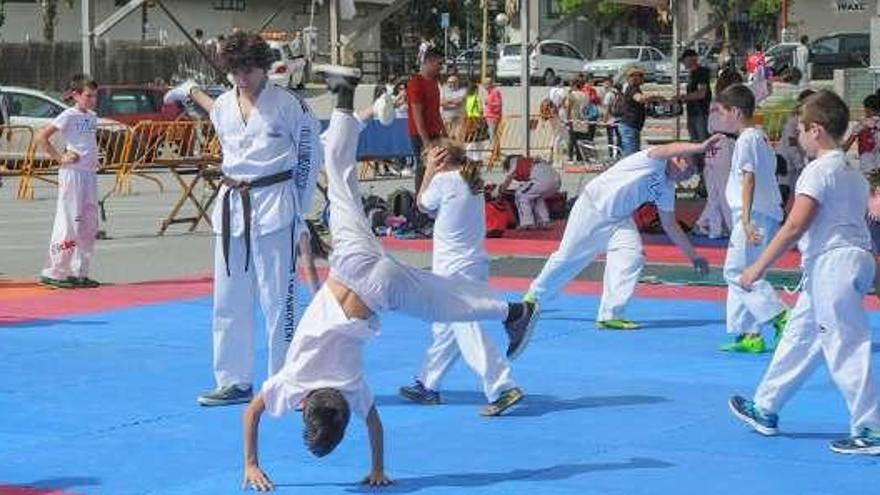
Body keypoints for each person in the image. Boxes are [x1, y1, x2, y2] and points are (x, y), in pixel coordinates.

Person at [240, 66, 539, 490]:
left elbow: (375, 427)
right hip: (350, 264)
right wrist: (250, 462)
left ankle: (512, 310)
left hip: (377, 290)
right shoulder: (294, 383)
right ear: (306, 405)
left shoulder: (353, 391)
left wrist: (378, 469)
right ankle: (343, 95)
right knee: (341, 180)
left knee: (442, 299)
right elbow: (251, 413)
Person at [729, 90, 880, 456]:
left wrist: (757, 267)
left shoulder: (818, 170)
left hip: (834, 264)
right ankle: (767, 407)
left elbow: (795, 226)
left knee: (845, 344)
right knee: (799, 337)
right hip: (842, 262)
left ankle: (871, 428)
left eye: (799, 129)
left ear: (816, 130)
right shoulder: (853, 173)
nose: (796, 136)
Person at [190, 31, 324, 407]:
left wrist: (300, 212)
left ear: (263, 66)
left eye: (248, 70)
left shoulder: (289, 105)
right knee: (228, 299)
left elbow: (309, 159)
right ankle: (233, 379)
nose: (242, 78)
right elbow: (212, 114)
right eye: (235, 71)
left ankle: (287, 380)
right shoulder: (223, 105)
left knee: (279, 300)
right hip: (233, 204)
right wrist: (188, 91)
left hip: (277, 204)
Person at [521, 139, 714, 330]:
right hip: (593, 207)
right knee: (568, 257)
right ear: (680, 159)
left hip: (620, 219)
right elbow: (668, 148)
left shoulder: (667, 189)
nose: (688, 178)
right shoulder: (653, 159)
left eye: (693, 175)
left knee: (632, 255)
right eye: (689, 171)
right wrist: (701, 147)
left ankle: (610, 315)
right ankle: (533, 297)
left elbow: (670, 225)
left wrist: (694, 256)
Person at [399, 138, 524, 416]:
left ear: (440, 159)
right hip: (473, 264)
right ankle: (428, 383)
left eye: (428, 157)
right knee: (446, 329)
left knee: (466, 328)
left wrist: (429, 171)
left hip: (454, 267)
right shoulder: (471, 182)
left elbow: (421, 205)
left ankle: (502, 386)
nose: (425, 161)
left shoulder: (444, 181)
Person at [714, 84, 789, 353]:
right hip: (761, 212)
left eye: (721, 112)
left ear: (735, 111)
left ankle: (779, 315)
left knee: (737, 272)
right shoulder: (758, 137)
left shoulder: (747, 139)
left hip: (753, 214)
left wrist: (745, 221)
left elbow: (749, 179)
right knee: (747, 272)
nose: (719, 118)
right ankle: (750, 333)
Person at [36, 75, 101, 289]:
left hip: (89, 173)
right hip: (73, 173)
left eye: (94, 96)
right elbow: (42, 137)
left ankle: (78, 271)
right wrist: (60, 157)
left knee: (89, 223)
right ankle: (55, 271)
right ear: (76, 95)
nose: (92, 100)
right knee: (70, 220)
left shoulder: (92, 116)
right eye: (88, 96)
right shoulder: (68, 115)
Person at [693, 68, 742, 239]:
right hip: (725, 145)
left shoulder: (716, 102)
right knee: (726, 190)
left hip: (713, 144)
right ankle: (733, 227)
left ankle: (712, 227)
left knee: (714, 191)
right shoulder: (732, 102)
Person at [407, 48, 447, 192]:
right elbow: (417, 116)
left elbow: (435, 111)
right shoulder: (416, 83)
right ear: (429, 62)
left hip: (435, 133)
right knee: (423, 167)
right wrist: (426, 142)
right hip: (420, 135)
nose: (440, 67)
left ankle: (433, 197)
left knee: (438, 167)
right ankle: (420, 200)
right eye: (438, 64)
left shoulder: (434, 83)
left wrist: (444, 131)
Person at [776, 89, 815, 209]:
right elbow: (791, 146)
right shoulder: (793, 122)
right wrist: (801, 165)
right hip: (787, 164)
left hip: (797, 165)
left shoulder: (808, 121)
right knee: (786, 196)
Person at [502, 156, 561, 229]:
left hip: (542, 179)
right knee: (536, 197)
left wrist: (500, 190)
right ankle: (544, 221)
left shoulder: (514, 161)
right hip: (556, 181)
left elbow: (509, 177)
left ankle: (527, 223)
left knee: (520, 195)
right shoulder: (529, 160)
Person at [676, 48, 711, 144]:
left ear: (693, 58)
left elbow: (701, 93)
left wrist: (682, 97)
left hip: (701, 113)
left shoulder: (702, 73)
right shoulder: (691, 74)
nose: (683, 62)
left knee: (702, 142)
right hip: (692, 112)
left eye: (684, 59)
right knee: (694, 142)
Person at [844, 94, 880, 174]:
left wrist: (839, 153)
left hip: (866, 158)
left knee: (870, 179)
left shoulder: (862, 124)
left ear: (868, 109)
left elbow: (849, 142)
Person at [618, 67, 648, 157]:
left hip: (633, 126)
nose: (643, 78)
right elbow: (639, 98)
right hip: (629, 126)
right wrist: (655, 96)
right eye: (641, 76)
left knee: (634, 154)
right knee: (632, 156)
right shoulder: (632, 89)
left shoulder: (635, 89)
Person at [440, 74, 467, 140]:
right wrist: (453, 101)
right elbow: (441, 102)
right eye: (449, 82)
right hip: (446, 119)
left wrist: (447, 101)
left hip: (458, 119)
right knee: (447, 138)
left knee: (458, 138)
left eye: (453, 82)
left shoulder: (463, 90)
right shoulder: (443, 90)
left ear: (457, 82)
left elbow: (459, 101)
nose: (451, 84)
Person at [482, 77, 503, 143]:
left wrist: (488, 103)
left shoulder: (495, 92)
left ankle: (494, 150)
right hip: (489, 116)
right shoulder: (489, 92)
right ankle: (495, 150)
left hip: (493, 117)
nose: (484, 87)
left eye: (485, 84)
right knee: (492, 134)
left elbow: (498, 104)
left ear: (490, 84)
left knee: (493, 135)